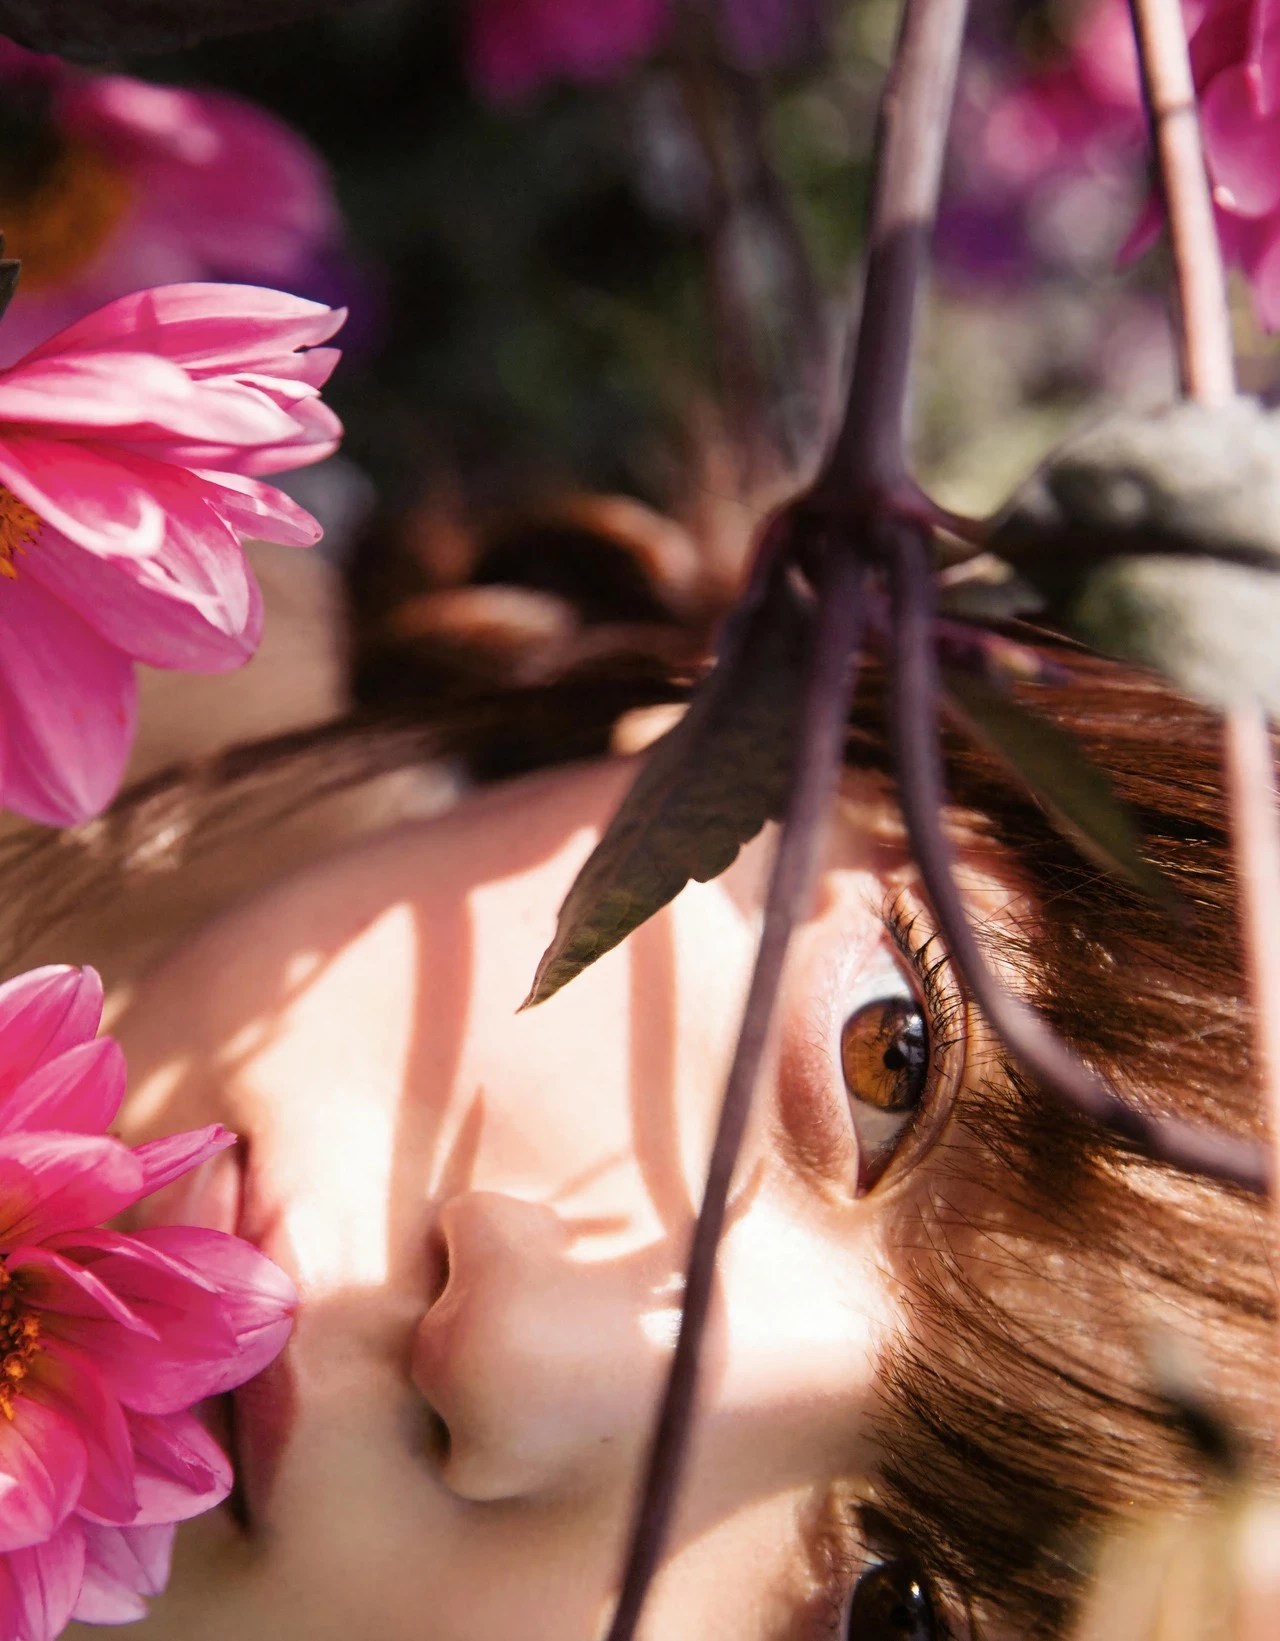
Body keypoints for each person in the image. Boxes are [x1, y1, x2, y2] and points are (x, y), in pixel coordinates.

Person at [3, 513, 1268, 1641]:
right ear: (758, 708)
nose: (514, 1362)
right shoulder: (61, 480)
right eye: (891, 1055)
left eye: (900, 1624)